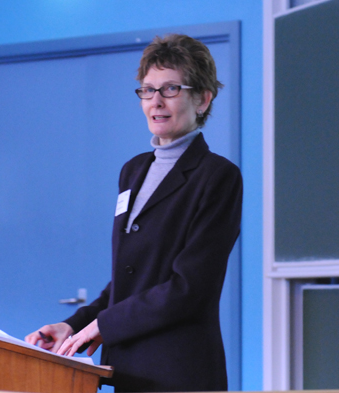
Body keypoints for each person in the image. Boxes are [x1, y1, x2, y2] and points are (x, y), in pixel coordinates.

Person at [26, 34, 243, 392]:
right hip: (126, 370)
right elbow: (131, 278)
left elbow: (189, 288)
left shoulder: (217, 176)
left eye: (171, 89)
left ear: (203, 99)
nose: (156, 101)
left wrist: (103, 326)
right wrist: (76, 325)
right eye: (147, 90)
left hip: (179, 372)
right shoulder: (133, 170)